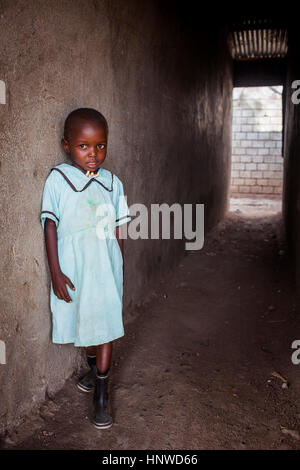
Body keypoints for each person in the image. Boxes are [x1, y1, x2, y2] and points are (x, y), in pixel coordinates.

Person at [40, 108, 131, 429]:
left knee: (104, 325)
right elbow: (50, 225)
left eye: (100, 146)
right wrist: (55, 271)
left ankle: (102, 394)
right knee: (85, 320)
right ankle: (94, 370)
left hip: (106, 271)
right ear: (67, 145)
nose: (93, 154)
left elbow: (120, 227)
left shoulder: (112, 182)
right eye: (83, 146)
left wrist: (120, 264)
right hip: (75, 270)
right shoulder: (58, 179)